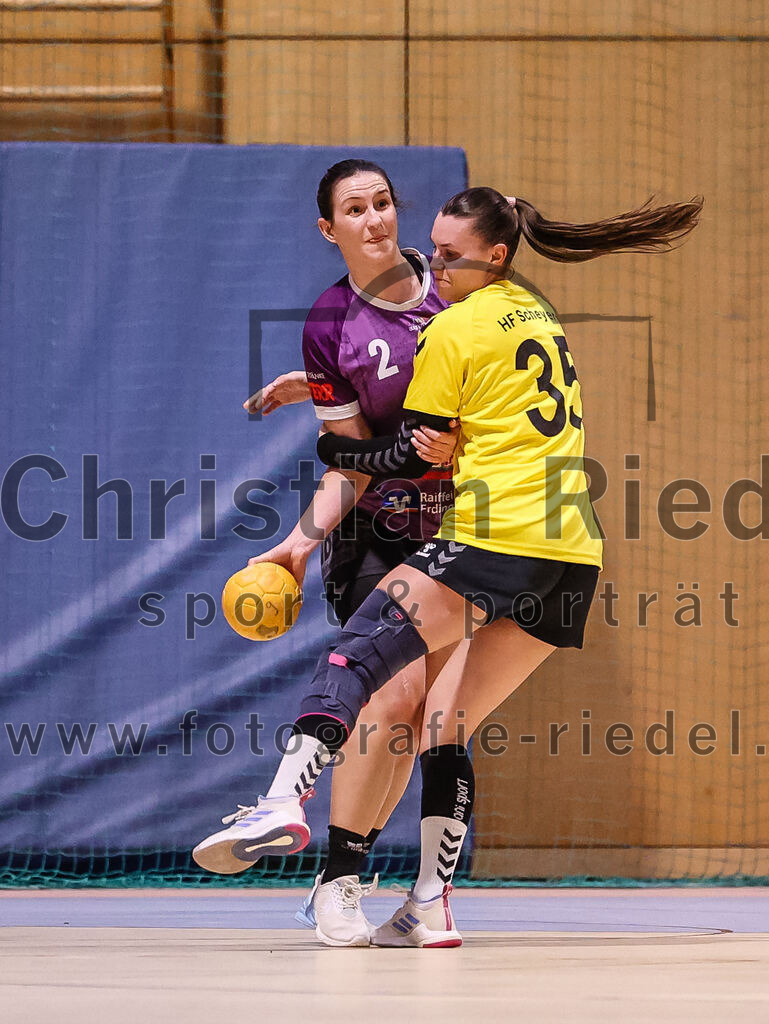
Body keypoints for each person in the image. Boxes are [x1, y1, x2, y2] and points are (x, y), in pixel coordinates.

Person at [206, 185, 702, 947]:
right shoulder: (533, 310)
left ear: (492, 255)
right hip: (571, 551)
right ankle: (427, 906)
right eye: (428, 249)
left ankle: (280, 801)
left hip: (485, 535)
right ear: (328, 227)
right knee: (443, 723)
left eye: (444, 251)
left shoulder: (452, 324)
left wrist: (332, 442)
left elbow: (401, 450)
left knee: (355, 658)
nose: (430, 260)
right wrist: (329, 397)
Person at [193, 159, 466, 947]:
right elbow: (350, 461)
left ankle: (384, 888)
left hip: (462, 532)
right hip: (378, 535)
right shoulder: (330, 324)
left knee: (433, 718)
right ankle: (335, 881)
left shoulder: (454, 294)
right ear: (330, 229)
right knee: (387, 701)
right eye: (356, 209)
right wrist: (297, 546)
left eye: (383, 203)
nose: (376, 219)